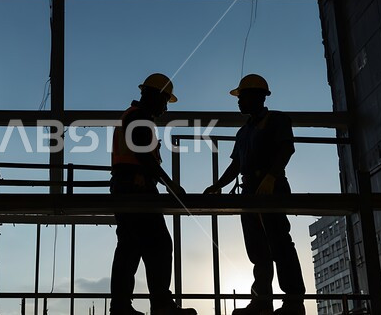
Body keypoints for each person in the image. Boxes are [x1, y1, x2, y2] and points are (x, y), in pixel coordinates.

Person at [204, 74, 305, 315]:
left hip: (271, 188)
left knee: (280, 243)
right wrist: (218, 184)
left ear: (257, 96)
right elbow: (236, 164)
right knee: (258, 250)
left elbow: (286, 148)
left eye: (242, 96)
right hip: (249, 192)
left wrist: (271, 177)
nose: (238, 101)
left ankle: (293, 301)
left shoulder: (277, 120)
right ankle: (262, 301)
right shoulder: (243, 132)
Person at [110, 73, 197, 315]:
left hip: (128, 187)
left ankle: (122, 306)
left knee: (131, 247)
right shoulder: (139, 119)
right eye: (165, 100)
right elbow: (145, 159)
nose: (165, 107)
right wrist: (172, 186)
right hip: (136, 189)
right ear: (154, 96)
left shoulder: (134, 117)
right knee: (158, 244)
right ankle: (160, 304)